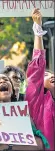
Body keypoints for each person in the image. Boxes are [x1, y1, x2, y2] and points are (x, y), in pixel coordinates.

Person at [0, 73, 49, 150]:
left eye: (6, 79)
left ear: (12, 90)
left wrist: (8, 146)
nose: (2, 81)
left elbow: (40, 144)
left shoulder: (22, 112)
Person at [25, 8, 55, 151]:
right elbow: (37, 70)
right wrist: (38, 30)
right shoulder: (36, 104)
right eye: (46, 75)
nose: (51, 76)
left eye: (51, 73)